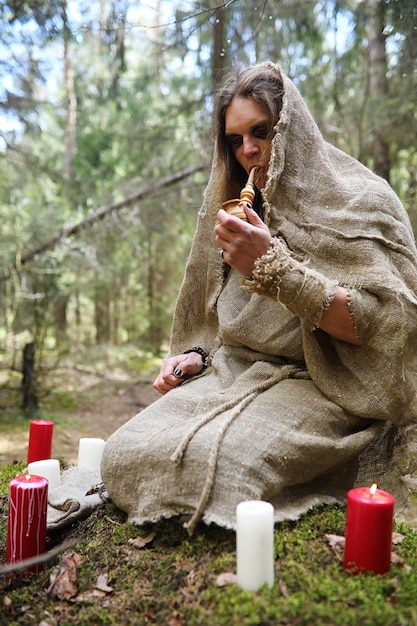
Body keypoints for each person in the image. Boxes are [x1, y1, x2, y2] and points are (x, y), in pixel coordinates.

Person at [101, 62, 417, 534]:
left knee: (213, 468)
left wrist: (272, 266)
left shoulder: (360, 201)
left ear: (292, 131)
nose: (248, 151)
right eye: (234, 140)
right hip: (234, 373)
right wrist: (194, 355)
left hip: (328, 387)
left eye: (261, 132)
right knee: (123, 454)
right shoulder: (243, 208)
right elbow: (221, 320)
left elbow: (382, 330)